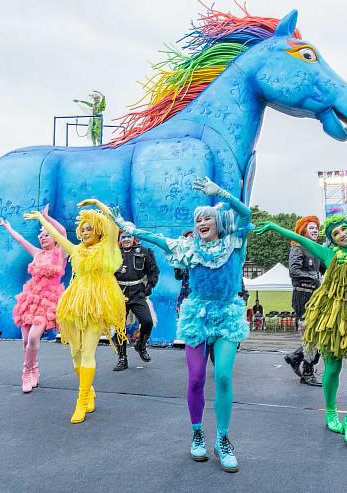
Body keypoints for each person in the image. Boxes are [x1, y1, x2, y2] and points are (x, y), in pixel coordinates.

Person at [109, 176, 251, 472]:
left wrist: (220, 193)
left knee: (223, 377)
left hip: (226, 315)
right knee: (197, 378)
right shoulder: (189, 248)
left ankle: (223, 439)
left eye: (207, 218)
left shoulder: (234, 242)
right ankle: (198, 433)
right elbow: (157, 240)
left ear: (219, 223)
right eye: (198, 219)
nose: (201, 222)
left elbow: (246, 215)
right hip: (197, 316)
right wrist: (129, 228)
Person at [255, 214, 347, 447]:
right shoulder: (329, 255)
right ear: (332, 241)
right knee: (332, 369)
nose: (342, 234)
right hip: (333, 321)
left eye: (343, 229)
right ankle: (331, 412)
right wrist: (273, 226)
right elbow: (297, 238)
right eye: (335, 234)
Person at [24, 198, 127, 423]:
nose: (86, 231)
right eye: (84, 228)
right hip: (74, 304)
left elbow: (113, 225)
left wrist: (98, 204)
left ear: (99, 230)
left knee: (88, 352)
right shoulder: (77, 250)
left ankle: (81, 401)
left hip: (97, 304)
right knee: (76, 355)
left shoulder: (107, 247)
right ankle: (88, 391)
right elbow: (60, 237)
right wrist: (42, 218)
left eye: (90, 228)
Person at [0, 205, 66, 393]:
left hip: (49, 300)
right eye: (41, 234)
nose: (42, 237)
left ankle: (26, 372)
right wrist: (8, 227)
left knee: (34, 337)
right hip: (30, 299)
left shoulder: (61, 252)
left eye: (46, 234)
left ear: (54, 238)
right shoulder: (38, 254)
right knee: (25, 341)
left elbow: (61, 231)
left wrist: (45, 218)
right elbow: (20, 240)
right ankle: (34, 368)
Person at [283, 215, 324, 386]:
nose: (315, 230)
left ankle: (296, 357)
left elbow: (326, 267)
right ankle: (307, 372)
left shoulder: (315, 249)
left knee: (320, 334)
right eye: (311, 227)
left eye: (316, 228)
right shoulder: (298, 248)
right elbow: (294, 271)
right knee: (311, 334)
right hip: (303, 296)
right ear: (303, 230)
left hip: (316, 296)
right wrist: (314, 277)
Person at [112, 232, 159, 371]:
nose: (126, 239)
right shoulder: (113, 254)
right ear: (119, 240)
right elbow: (106, 273)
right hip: (119, 293)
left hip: (138, 292)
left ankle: (141, 345)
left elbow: (153, 270)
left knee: (147, 321)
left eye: (128, 236)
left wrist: (149, 286)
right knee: (119, 326)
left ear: (133, 238)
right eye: (123, 237)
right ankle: (122, 358)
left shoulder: (144, 252)